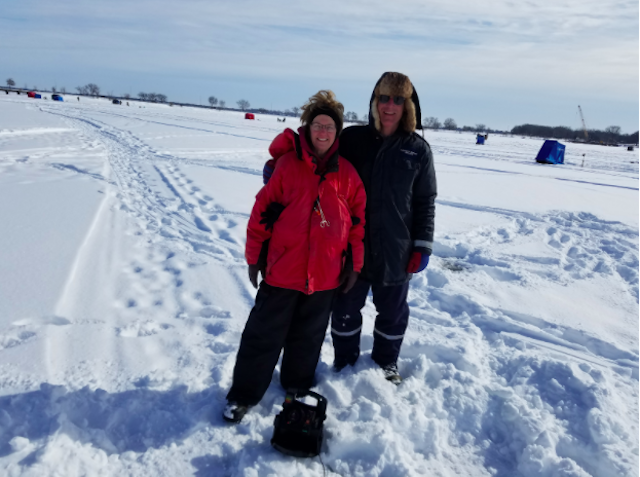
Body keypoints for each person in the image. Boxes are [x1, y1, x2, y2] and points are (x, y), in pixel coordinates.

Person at [223, 90, 367, 423]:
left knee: (308, 339)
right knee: (262, 336)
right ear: (308, 127)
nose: (323, 132)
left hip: (325, 276)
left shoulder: (347, 175)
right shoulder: (287, 167)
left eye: (330, 126)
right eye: (318, 124)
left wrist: (354, 265)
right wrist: (253, 257)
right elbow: (261, 214)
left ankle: (296, 387)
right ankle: (243, 395)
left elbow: (358, 224)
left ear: (337, 132)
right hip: (282, 272)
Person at [330, 72, 437, 384]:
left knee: (392, 313)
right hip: (353, 246)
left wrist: (422, 245)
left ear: (408, 106)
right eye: (384, 98)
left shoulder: (418, 149)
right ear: (374, 101)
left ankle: (386, 362)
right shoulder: (352, 140)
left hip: (396, 249)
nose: (390, 106)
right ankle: (344, 360)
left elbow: (425, 201)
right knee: (345, 308)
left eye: (398, 99)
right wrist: (282, 163)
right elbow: (317, 162)